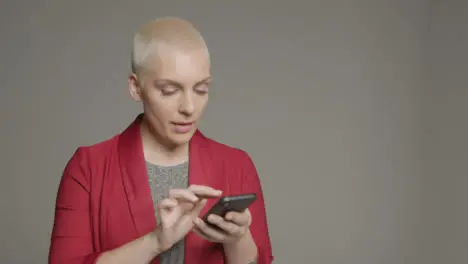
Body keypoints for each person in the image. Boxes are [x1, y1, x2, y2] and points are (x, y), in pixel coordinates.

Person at [48, 17, 274, 264]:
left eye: (201, 90)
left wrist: (237, 240)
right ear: (136, 87)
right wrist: (155, 241)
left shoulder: (236, 165)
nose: (189, 107)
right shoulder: (88, 168)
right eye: (169, 90)